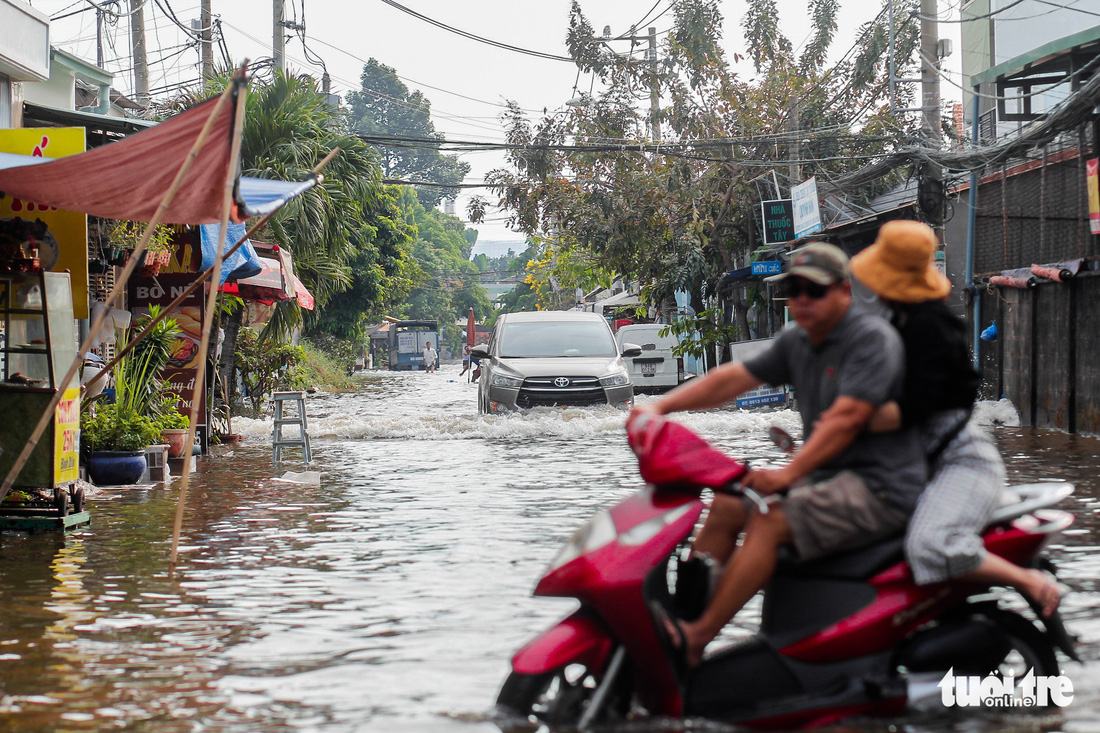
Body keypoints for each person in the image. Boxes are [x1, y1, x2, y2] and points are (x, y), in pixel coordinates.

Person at [628, 242, 927, 669]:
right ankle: (682, 619)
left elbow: (845, 419)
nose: (802, 299)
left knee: (772, 518)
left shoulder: (870, 340)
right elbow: (735, 378)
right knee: (729, 502)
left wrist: (787, 476)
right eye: (793, 289)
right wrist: (659, 407)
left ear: (844, 291)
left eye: (814, 290)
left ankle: (697, 637)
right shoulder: (799, 340)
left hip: (881, 488)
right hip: (827, 481)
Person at [847, 220, 1059, 615]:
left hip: (959, 462)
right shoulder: (897, 322)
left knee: (930, 544)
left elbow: (921, 403)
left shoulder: (931, 328)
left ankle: (1030, 581)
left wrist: (850, 420)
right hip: (915, 465)